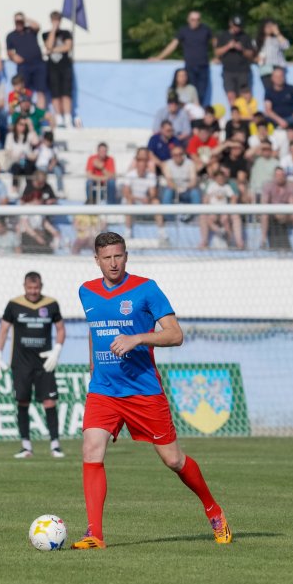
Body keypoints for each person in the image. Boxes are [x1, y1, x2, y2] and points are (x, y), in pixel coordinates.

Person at [73, 231, 232, 549]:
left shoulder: (146, 289)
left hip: (143, 391)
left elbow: (175, 334)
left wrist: (138, 338)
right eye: (107, 258)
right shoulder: (86, 291)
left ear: (126, 256)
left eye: (118, 256)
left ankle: (213, 510)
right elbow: (95, 330)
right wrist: (93, 369)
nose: (113, 263)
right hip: (104, 390)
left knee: (173, 460)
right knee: (91, 450)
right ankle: (95, 534)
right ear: (96, 260)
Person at [0, 273, 65, 459]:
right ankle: (26, 446)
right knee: (22, 401)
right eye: (30, 288)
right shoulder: (14, 304)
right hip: (21, 363)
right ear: (24, 286)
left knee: (49, 402)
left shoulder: (51, 304)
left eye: (36, 288)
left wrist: (56, 350)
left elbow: (60, 329)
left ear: (41, 286)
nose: (33, 291)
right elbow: (3, 330)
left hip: (44, 362)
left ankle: (55, 446)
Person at [150, 10, 214, 107]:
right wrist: (159, 58)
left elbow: (215, 42)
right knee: (190, 94)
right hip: (190, 67)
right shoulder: (183, 31)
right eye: (192, 19)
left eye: (197, 20)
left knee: (201, 94)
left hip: (203, 67)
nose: (195, 22)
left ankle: (198, 113)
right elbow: (173, 45)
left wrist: (217, 57)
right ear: (188, 20)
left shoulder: (206, 30)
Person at [6, 12, 47, 110]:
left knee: (41, 90)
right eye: (17, 21)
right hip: (24, 66)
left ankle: (40, 114)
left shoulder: (30, 30)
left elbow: (37, 26)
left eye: (20, 21)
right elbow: (9, 52)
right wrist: (13, 57)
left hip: (38, 64)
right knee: (24, 90)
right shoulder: (11, 36)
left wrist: (25, 19)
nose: (19, 23)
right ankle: (26, 112)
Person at [215, 16, 256, 107]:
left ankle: (243, 114)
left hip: (243, 71)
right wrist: (228, 46)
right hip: (228, 71)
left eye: (239, 26)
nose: (237, 28)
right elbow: (217, 52)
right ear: (231, 24)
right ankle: (234, 113)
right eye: (235, 26)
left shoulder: (246, 37)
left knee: (244, 96)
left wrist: (242, 49)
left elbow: (251, 55)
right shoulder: (223, 36)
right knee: (231, 96)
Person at [43, 12, 75, 127]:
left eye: (58, 20)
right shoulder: (46, 34)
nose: (56, 22)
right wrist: (53, 30)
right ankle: (59, 117)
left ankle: (67, 117)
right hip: (52, 67)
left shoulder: (66, 33)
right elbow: (48, 45)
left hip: (65, 66)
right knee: (55, 93)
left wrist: (52, 51)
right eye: (54, 20)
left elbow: (67, 47)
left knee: (66, 92)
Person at [263, 67, 293, 133]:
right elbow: (268, 110)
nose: (279, 79)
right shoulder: (269, 91)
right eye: (276, 77)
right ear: (272, 78)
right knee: (263, 123)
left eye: (281, 76)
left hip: (290, 118)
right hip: (275, 119)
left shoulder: (291, 88)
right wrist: (280, 120)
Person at [255, 20, 289, 90]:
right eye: (268, 26)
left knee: (280, 89)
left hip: (277, 66)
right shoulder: (257, 41)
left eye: (272, 26)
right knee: (269, 90)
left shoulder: (276, 39)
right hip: (265, 68)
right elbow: (253, 56)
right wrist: (257, 59)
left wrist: (277, 33)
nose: (270, 28)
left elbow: (286, 46)